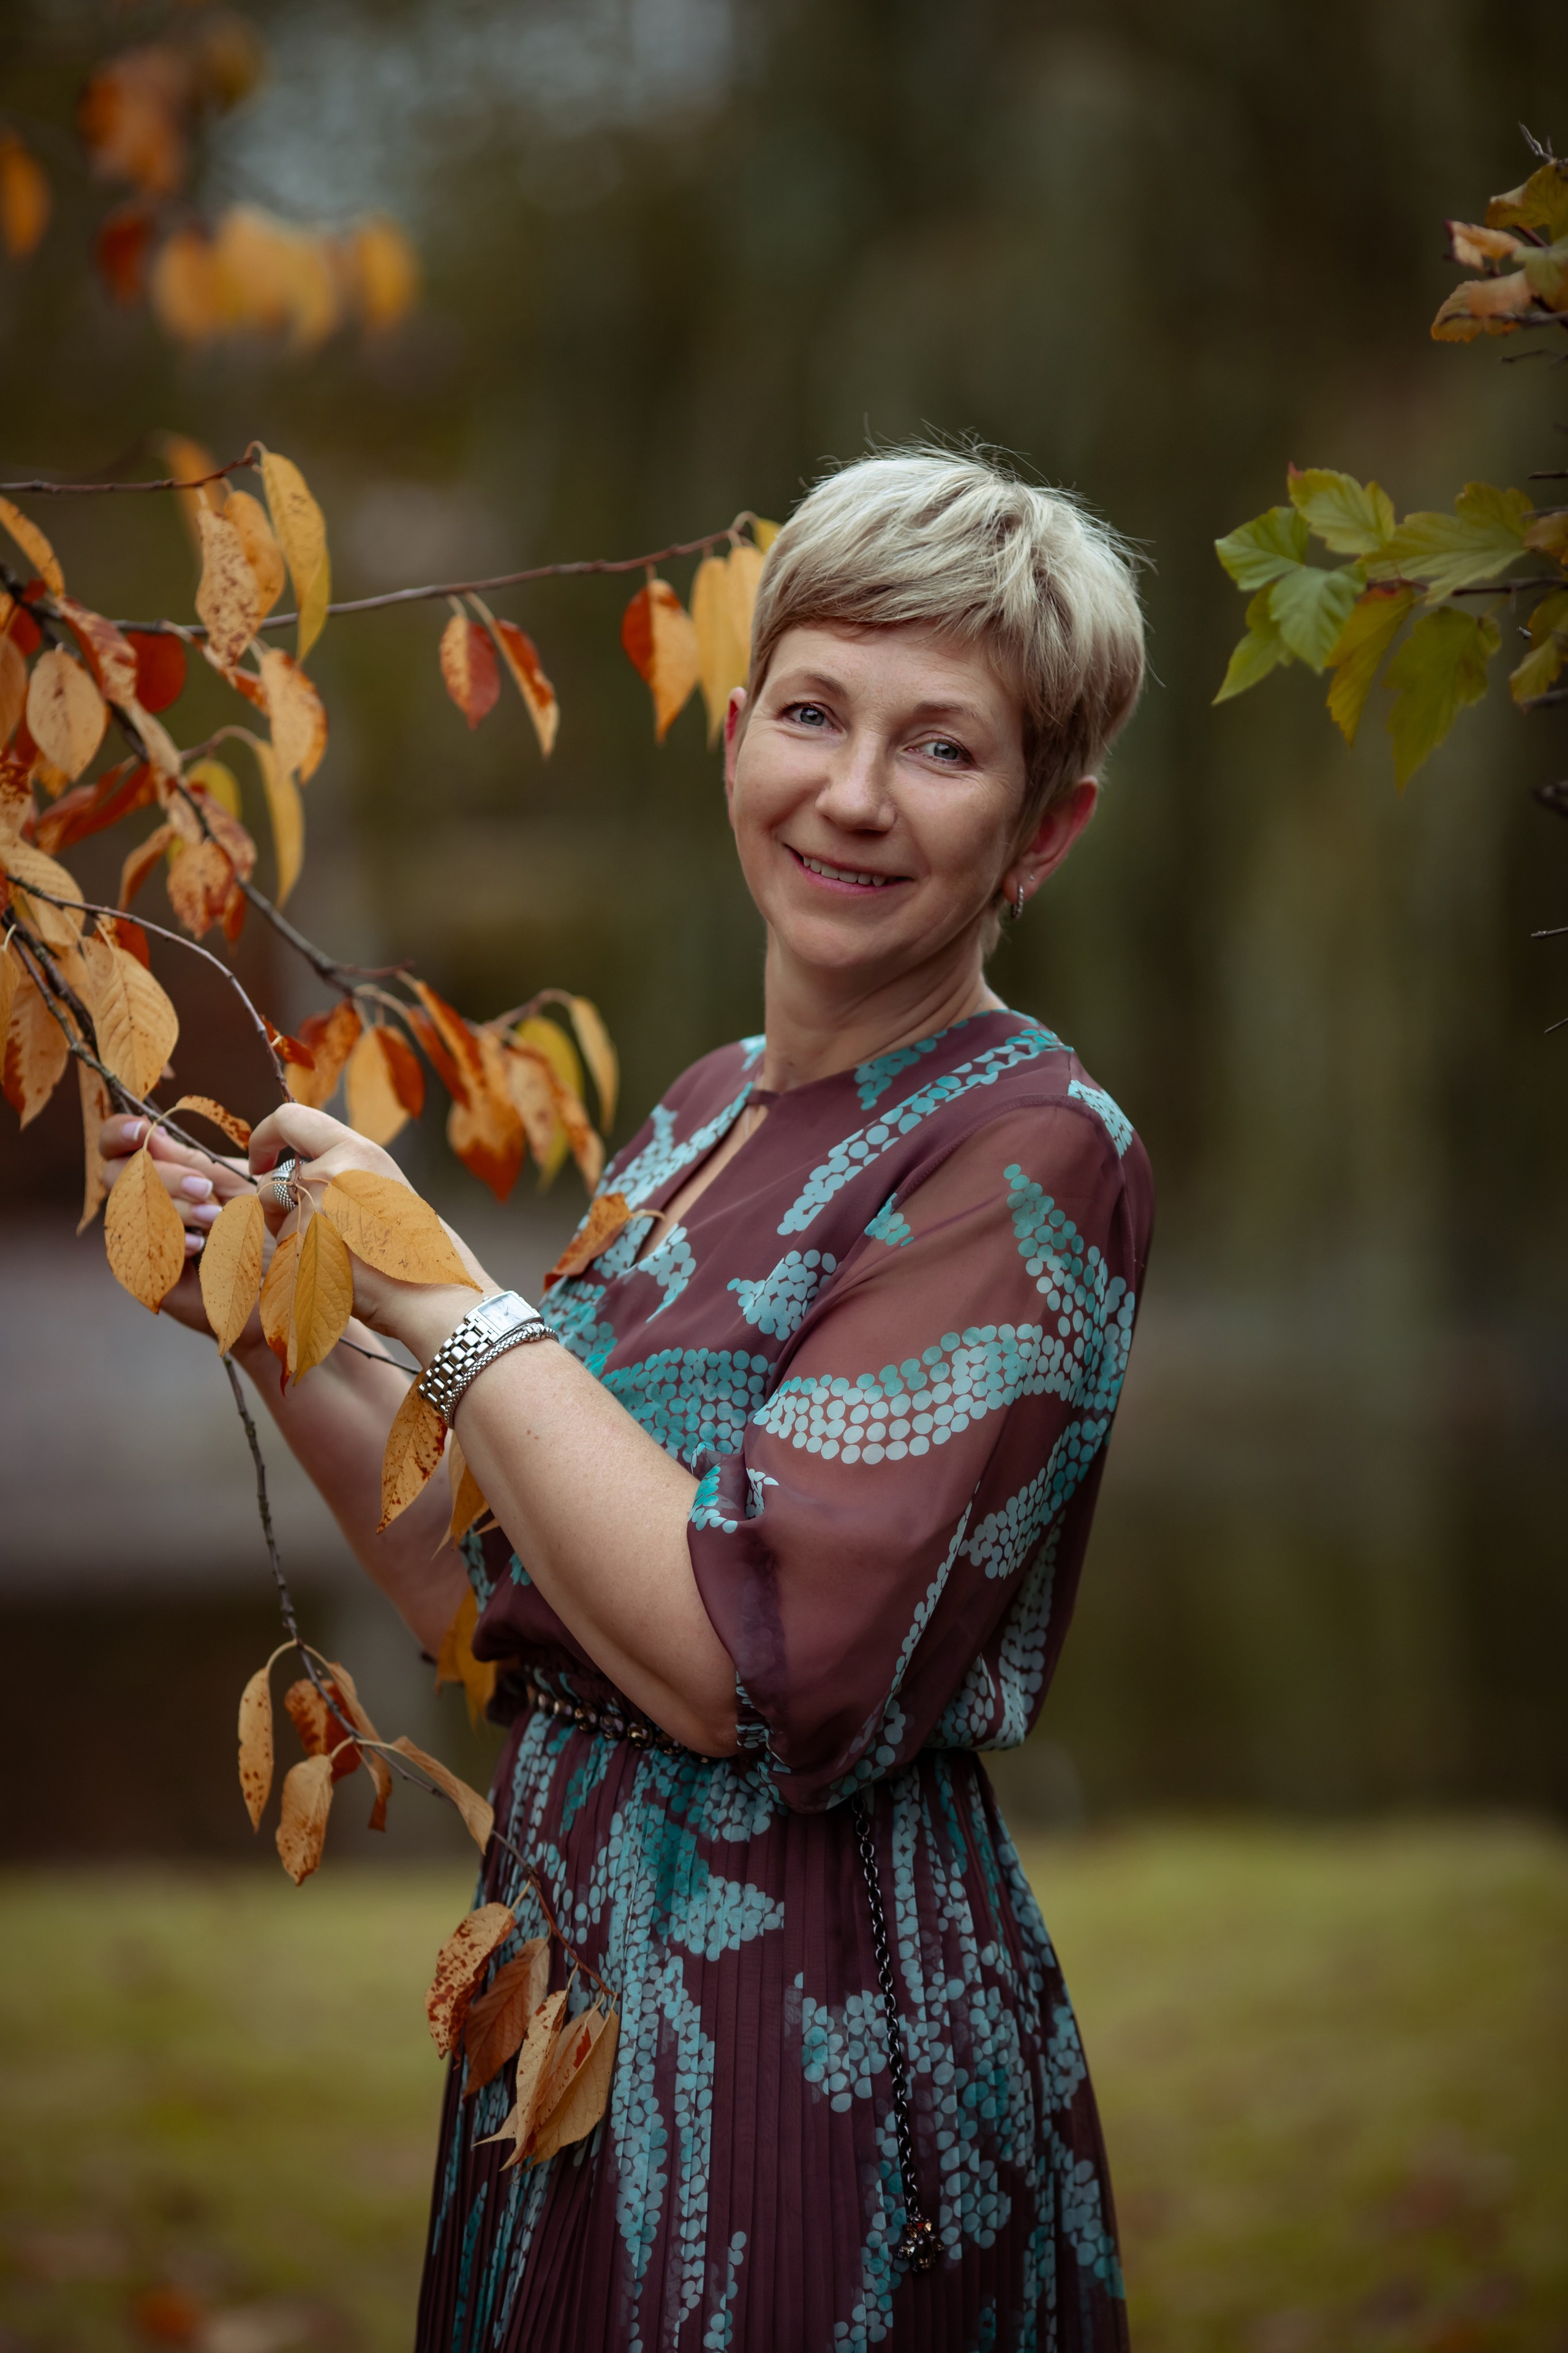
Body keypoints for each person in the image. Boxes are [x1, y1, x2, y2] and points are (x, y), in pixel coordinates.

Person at [102, 447, 1153, 2352]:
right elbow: (489, 1591)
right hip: (566, 2007)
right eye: (816, 713)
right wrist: (270, 1323)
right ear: (734, 730)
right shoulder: (697, 1105)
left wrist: (431, 1278)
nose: (851, 793)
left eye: (942, 749)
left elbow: (741, 1661)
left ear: (1044, 828)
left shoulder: (1028, 1151)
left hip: (813, 2046)